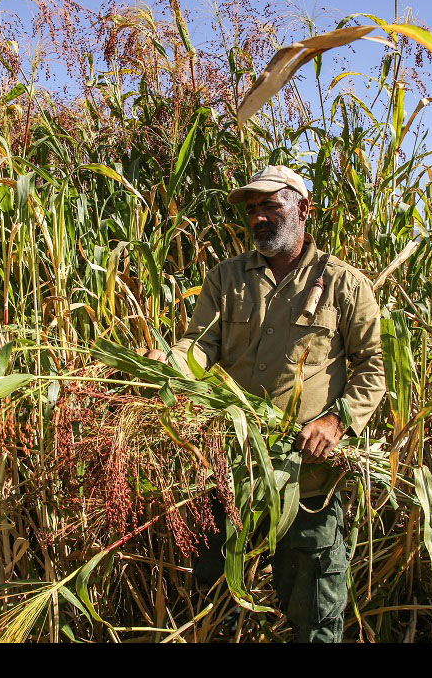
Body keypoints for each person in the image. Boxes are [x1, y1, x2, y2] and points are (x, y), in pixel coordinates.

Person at [140, 165, 386, 642]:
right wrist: (167, 362)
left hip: (306, 483)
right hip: (231, 475)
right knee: (215, 609)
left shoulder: (344, 284)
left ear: (302, 209)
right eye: (252, 210)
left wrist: (337, 422)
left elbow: (373, 368)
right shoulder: (226, 278)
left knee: (314, 617)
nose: (258, 218)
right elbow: (200, 347)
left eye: (271, 205)